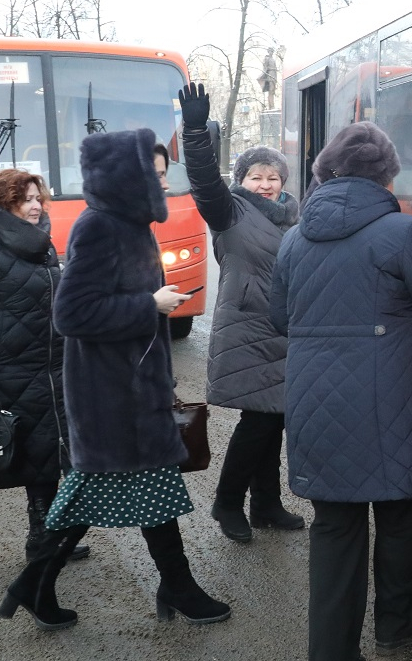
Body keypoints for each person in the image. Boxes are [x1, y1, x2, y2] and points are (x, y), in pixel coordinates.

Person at [0, 130, 229, 631]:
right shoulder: (101, 226)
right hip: (111, 395)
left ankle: (37, 585)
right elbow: (72, 313)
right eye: (158, 176)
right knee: (133, 487)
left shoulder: (128, 224)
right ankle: (176, 586)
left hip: (130, 389)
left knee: (133, 489)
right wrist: (149, 305)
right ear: (132, 176)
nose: (164, 186)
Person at [270, 122, 412, 661]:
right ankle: (399, 625)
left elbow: (277, 319)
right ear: (386, 174)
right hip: (395, 400)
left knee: (335, 526)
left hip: (316, 400)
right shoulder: (402, 233)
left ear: (325, 172)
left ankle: (330, 651)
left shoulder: (293, 239)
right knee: (401, 513)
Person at [178, 82, 304, 543]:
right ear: (242, 180)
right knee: (259, 422)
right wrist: (195, 130)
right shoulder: (228, 212)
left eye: (273, 177)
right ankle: (227, 502)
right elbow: (203, 181)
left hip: (286, 330)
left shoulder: (295, 215)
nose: (266, 184)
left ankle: (266, 504)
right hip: (248, 327)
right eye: (256, 176)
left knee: (275, 419)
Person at [0, 170, 89, 567]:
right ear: (3, 203)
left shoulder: (40, 245)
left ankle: (43, 540)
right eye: (25, 199)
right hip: (1, 375)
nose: (35, 206)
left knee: (45, 454)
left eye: (37, 199)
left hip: (46, 369)